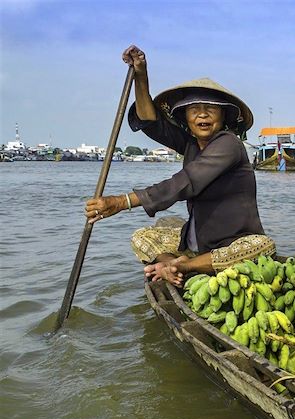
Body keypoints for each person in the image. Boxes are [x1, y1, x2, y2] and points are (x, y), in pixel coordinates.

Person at [84, 45, 274, 287]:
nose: (202, 116)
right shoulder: (191, 144)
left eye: (210, 109)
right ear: (185, 117)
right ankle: (170, 262)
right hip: (199, 242)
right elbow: (149, 121)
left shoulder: (229, 144)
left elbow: (186, 181)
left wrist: (122, 201)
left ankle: (182, 265)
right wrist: (141, 75)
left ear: (223, 116)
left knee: (262, 246)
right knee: (144, 235)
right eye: (195, 110)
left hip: (233, 242)